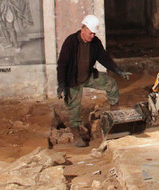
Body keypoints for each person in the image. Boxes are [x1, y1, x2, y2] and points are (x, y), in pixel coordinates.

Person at [56, 15, 132, 147]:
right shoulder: (70, 42)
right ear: (83, 30)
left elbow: (104, 58)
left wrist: (118, 70)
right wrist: (61, 84)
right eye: (90, 33)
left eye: (94, 34)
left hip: (88, 75)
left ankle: (115, 117)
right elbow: (62, 64)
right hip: (73, 79)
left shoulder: (95, 42)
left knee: (111, 84)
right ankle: (76, 134)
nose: (92, 36)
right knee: (74, 106)